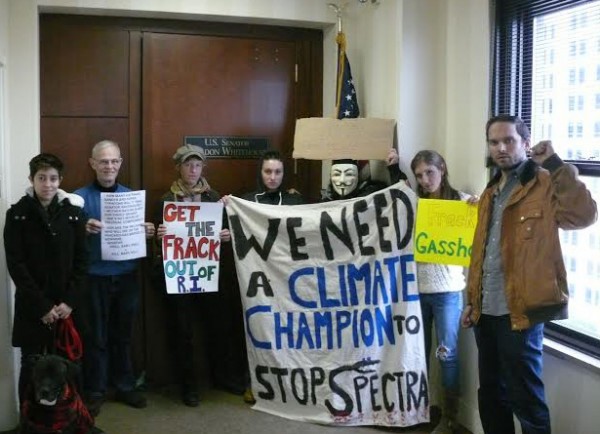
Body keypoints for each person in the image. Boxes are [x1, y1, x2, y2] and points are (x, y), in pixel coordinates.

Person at [460, 115, 597, 434]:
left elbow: (583, 215)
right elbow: (481, 251)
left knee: (527, 402)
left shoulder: (545, 181)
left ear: (525, 142)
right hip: (485, 312)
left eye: (509, 140)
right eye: (494, 142)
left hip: (519, 313)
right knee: (492, 396)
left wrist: (557, 164)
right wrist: (471, 301)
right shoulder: (492, 189)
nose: (501, 148)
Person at [75, 140, 156, 416]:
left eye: (114, 161)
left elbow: (138, 235)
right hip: (93, 277)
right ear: (92, 163)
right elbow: (63, 242)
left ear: (120, 163)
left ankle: (124, 385)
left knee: (123, 335)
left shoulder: (130, 197)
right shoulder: (78, 198)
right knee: (94, 336)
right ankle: (95, 390)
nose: (109, 166)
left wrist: (147, 232)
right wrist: (81, 229)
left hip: (126, 276)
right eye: (103, 161)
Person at [4, 153, 88, 405]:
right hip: (33, 305)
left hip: (66, 306)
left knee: (68, 365)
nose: (48, 184)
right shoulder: (17, 214)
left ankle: (69, 421)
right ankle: (30, 423)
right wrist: (42, 306)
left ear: (60, 180)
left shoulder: (73, 214)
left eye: (53, 178)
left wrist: (69, 302)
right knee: (30, 365)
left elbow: (82, 260)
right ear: (32, 179)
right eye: (42, 178)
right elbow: (16, 265)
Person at [155, 144, 231, 407]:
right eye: (188, 164)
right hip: (180, 277)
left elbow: (226, 234)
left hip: (208, 274)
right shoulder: (166, 200)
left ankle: (220, 378)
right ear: (178, 167)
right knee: (183, 333)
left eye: (197, 165)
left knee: (217, 327)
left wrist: (225, 236)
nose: (193, 170)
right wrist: (159, 236)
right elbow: (158, 240)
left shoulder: (214, 198)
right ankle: (189, 386)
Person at [411, 150, 477, 433]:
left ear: (442, 169)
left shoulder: (461, 202)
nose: (425, 180)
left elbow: (477, 240)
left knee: (446, 355)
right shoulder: (415, 205)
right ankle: (419, 410)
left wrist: (478, 208)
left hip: (449, 291)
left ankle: (450, 417)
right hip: (416, 291)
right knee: (417, 353)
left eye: (430, 172)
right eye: (419, 175)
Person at [238, 149, 304, 404]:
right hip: (258, 280)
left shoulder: (295, 201)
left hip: (290, 279)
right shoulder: (246, 201)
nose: (273, 177)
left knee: (289, 330)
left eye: (278, 172)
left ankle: (290, 383)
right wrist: (227, 207)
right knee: (259, 329)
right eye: (268, 171)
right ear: (261, 172)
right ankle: (254, 382)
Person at [324, 148, 408, 200]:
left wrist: (394, 169)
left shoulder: (374, 194)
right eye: (336, 174)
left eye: (349, 174)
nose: (342, 180)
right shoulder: (325, 202)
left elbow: (403, 198)